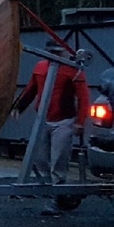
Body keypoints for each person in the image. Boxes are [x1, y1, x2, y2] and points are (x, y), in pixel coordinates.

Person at [12, 40, 90, 215]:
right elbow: (31, 88)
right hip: (43, 119)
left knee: (58, 162)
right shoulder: (41, 67)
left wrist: (80, 122)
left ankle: (57, 200)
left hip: (64, 121)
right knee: (39, 158)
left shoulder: (73, 69)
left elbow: (84, 98)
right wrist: (19, 106)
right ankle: (48, 191)